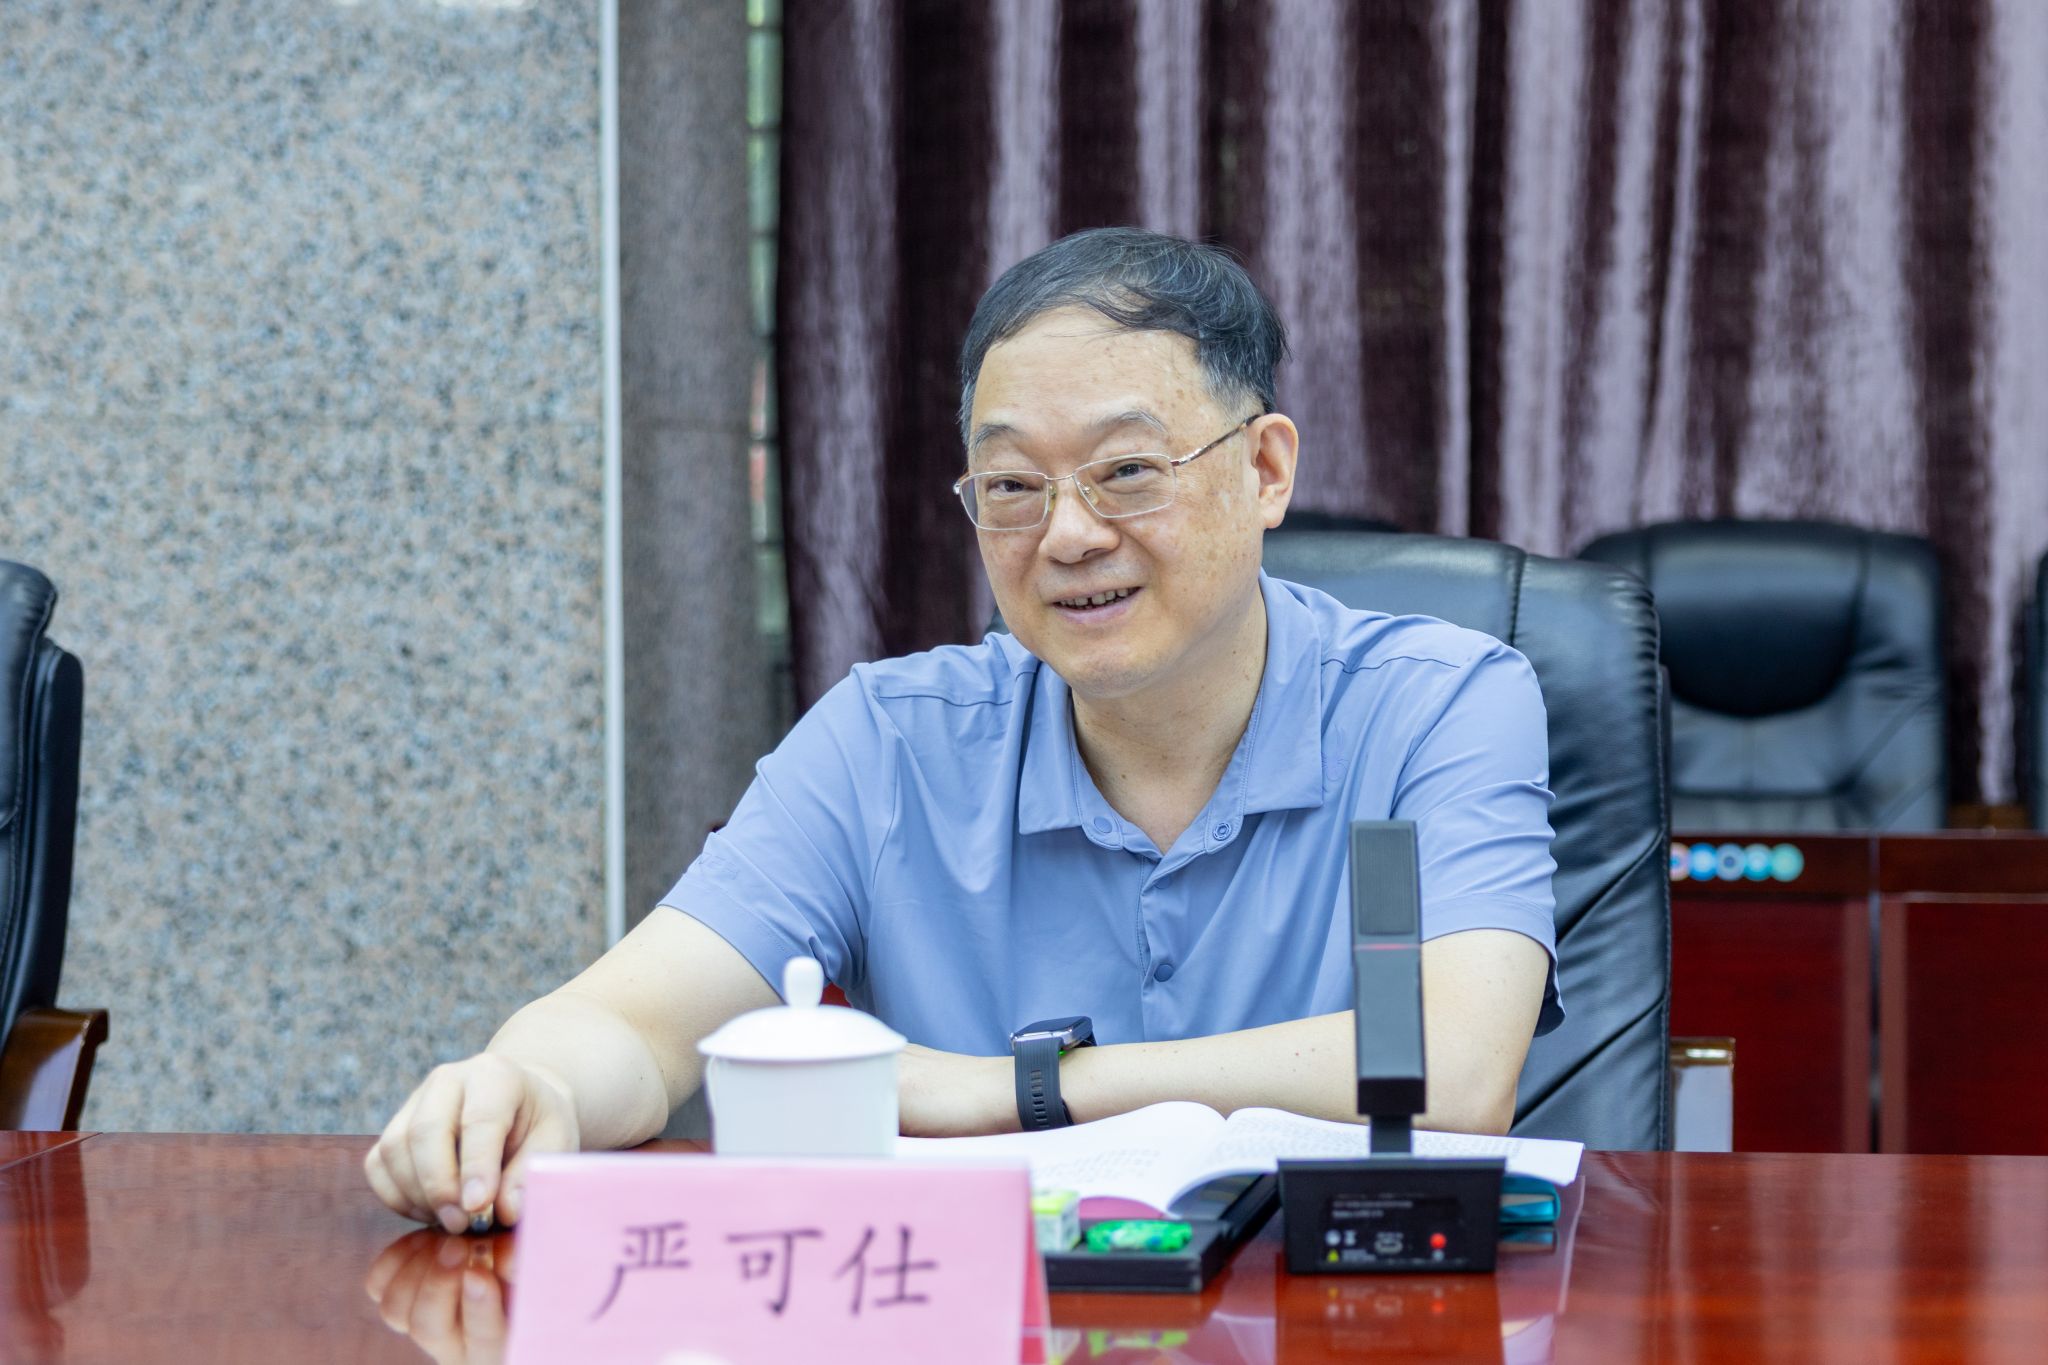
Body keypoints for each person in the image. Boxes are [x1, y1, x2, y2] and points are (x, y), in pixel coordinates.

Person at [365, 228, 1559, 1234]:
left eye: (1125, 471)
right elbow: (631, 1024)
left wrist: (1007, 1089)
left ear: (1263, 470)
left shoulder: (1440, 704)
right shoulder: (887, 742)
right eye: (1012, 487)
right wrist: (525, 1083)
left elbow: (1454, 1071)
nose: (1068, 535)